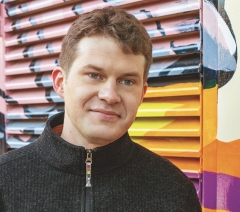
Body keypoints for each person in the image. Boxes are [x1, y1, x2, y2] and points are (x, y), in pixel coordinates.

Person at [0, 6, 201, 212]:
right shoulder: (4, 181)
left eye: (127, 81)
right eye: (95, 75)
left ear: (142, 94)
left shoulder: (174, 190)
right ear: (61, 83)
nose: (110, 95)